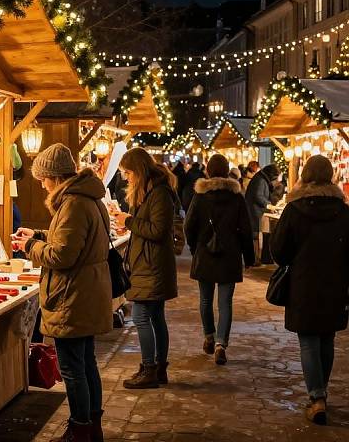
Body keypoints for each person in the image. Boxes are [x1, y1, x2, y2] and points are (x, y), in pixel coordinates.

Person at [11, 143, 111, 442]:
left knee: (72, 367)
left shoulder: (74, 203)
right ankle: (91, 427)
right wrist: (38, 235)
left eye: (43, 179)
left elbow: (62, 256)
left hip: (73, 295)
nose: (42, 185)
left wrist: (28, 247)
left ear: (54, 177)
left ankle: (80, 429)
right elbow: (71, 241)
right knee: (86, 362)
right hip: (86, 291)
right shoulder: (86, 199)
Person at [270, 155, 349, 425]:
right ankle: (321, 394)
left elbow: (279, 251)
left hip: (303, 283)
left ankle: (317, 397)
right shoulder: (343, 210)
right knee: (326, 338)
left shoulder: (294, 209)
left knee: (308, 341)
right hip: (335, 282)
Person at [112, 148, 177, 389]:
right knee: (156, 317)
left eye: (128, 172)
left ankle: (150, 368)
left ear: (139, 170)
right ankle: (159, 368)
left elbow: (158, 230)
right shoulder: (150, 192)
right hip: (149, 263)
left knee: (141, 317)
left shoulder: (159, 193)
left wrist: (128, 221)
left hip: (152, 265)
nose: (126, 177)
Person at [184, 154, 254, 365]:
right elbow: (246, 230)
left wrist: (195, 245)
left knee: (205, 300)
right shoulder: (236, 197)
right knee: (225, 303)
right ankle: (221, 344)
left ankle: (209, 336)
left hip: (205, 253)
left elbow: (189, 225)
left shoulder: (200, 196)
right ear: (226, 171)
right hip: (229, 255)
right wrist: (248, 256)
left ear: (208, 171)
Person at [244, 163, 280, 264]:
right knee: (255, 235)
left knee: (256, 235)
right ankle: (255, 259)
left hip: (256, 211)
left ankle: (255, 258)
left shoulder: (260, 178)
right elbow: (258, 196)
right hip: (255, 211)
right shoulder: (260, 180)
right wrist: (268, 205)